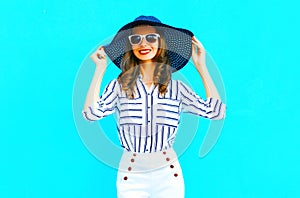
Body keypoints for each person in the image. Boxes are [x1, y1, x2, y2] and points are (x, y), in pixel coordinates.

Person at [82, 15, 226, 198]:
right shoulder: (119, 87)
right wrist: (100, 69)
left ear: (161, 43)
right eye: (136, 39)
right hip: (131, 172)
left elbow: (216, 112)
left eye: (151, 38)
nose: (144, 44)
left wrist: (201, 66)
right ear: (130, 45)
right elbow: (90, 113)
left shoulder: (177, 89)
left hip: (168, 172)